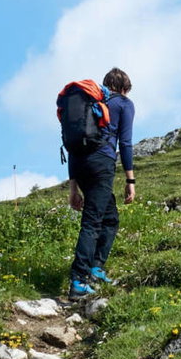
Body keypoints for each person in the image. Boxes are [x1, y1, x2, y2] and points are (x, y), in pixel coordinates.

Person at [63, 67, 135, 297]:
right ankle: (79, 280)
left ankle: (95, 268)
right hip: (101, 163)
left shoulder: (87, 106)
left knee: (110, 218)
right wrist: (130, 179)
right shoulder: (124, 104)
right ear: (125, 88)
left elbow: (72, 146)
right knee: (93, 222)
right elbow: (125, 143)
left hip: (80, 165)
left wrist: (73, 188)